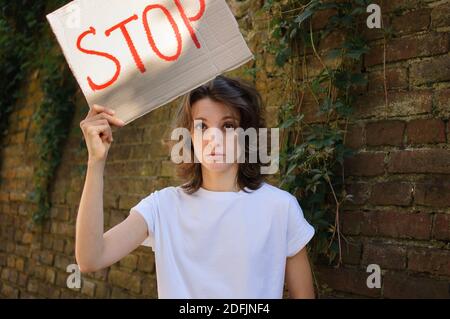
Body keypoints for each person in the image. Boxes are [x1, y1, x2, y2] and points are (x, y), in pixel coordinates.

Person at [76, 75, 315, 298]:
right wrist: (96, 161)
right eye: (202, 126)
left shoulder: (280, 208)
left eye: (228, 126)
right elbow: (90, 259)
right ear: (189, 134)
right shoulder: (162, 207)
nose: (214, 138)